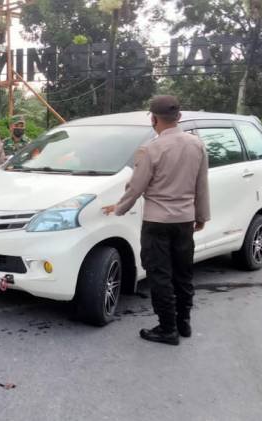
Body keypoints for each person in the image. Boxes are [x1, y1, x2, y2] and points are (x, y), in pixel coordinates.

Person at [103, 95, 210, 346]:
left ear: (153, 118)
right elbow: (201, 185)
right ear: (179, 117)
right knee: (183, 273)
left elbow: (136, 187)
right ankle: (183, 323)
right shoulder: (197, 145)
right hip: (185, 221)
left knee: (160, 275)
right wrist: (202, 215)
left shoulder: (152, 148)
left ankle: (167, 329)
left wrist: (118, 209)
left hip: (157, 223)